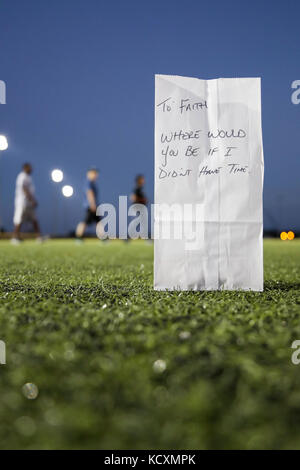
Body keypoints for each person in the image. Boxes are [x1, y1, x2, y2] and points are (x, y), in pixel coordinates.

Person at [11, 163, 41, 244]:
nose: (31, 169)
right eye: (30, 168)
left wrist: (31, 200)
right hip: (22, 202)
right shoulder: (22, 176)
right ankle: (15, 237)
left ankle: (39, 237)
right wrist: (32, 200)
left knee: (34, 219)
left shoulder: (29, 177)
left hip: (28, 203)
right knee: (19, 219)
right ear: (25, 168)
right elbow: (23, 188)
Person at [76, 167, 102, 240]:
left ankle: (103, 238)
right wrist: (92, 204)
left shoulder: (92, 183)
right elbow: (89, 193)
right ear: (89, 174)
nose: (96, 175)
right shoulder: (88, 182)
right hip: (91, 206)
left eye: (96, 173)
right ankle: (78, 237)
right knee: (85, 222)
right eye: (94, 173)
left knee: (98, 222)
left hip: (93, 205)